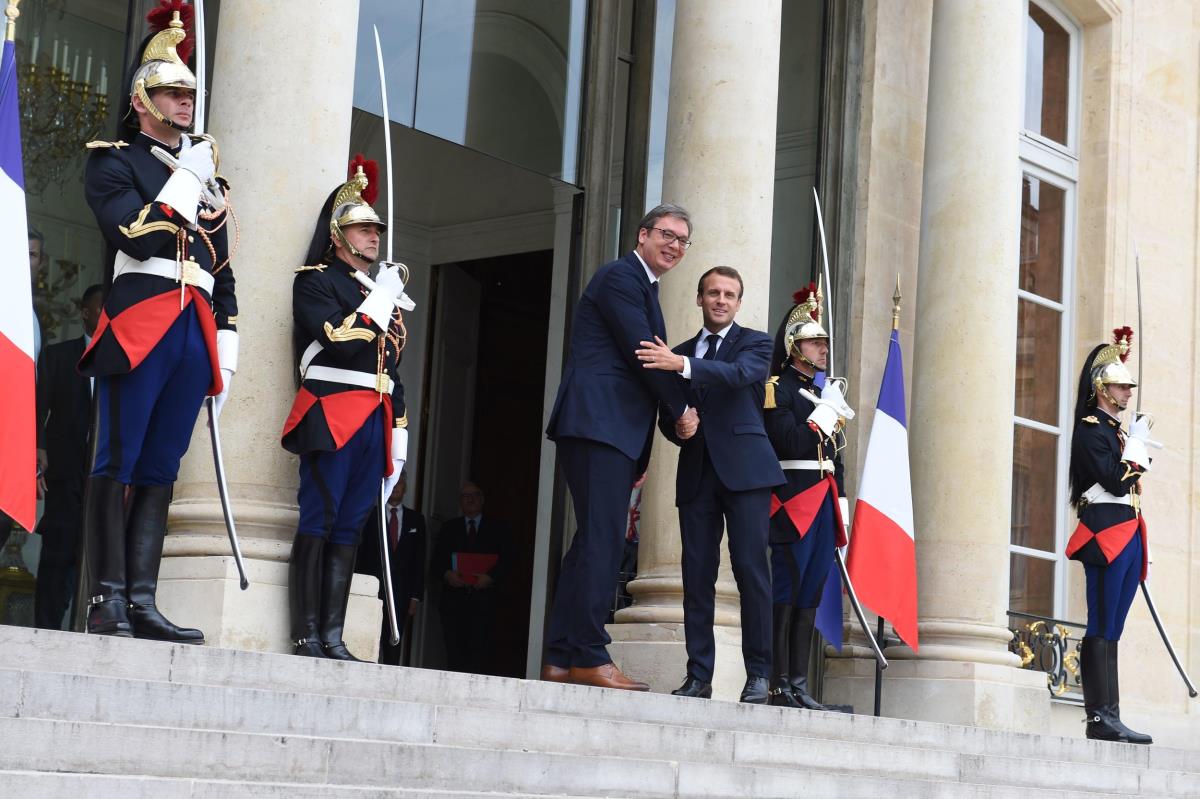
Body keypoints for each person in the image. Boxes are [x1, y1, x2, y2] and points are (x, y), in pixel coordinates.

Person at [79, 5, 237, 643]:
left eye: (189, 93)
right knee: (117, 459)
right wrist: (185, 180)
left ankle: (143, 599)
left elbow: (221, 267)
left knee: (161, 467)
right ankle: (106, 598)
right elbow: (134, 234)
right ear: (142, 99)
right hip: (141, 320)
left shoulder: (207, 178)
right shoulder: (114, 160)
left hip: (194, 327)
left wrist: (227, 341)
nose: (185, 102)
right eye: (172, 92)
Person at [542, 204, 690, 690]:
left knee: (591, 542)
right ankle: (590, 655)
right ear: (643, 234)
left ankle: (561, 657)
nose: (674, 245)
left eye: (682, 240)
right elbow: (647, 355)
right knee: (603, 541)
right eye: (666, 234)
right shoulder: (621, 277)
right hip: (598, 425)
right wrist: (682, 410)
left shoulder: (645, 286)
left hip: (611, 430)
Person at [281, 155, 413, 661]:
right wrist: (380, 301)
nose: (374, 237)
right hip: (331, 411)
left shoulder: (377, 291)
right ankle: (306, 634)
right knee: (320, 517)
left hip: (374, 418)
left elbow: (391, 367)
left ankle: (333, 636)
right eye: (363, 229)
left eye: (376, 230)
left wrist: (399, 430)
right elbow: (340, 340)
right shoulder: (317, 281)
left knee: (351, 525)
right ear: (338, 235)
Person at [637, 265, 783, 704]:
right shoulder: (679, 352)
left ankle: (759, 675)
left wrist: (681, 365)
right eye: (713, 293)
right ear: (699, 299)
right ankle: (698, 676)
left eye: (729, 294)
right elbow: (668, 413)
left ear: (738, 303)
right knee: (696, 577)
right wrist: (677, 427)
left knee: (751, 572)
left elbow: (737, 375)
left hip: (747, 474)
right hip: (698, 474)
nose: (721, 300)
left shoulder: (756, 343)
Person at [762, 285, 854, 709]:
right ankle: (777, 683)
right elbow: (791, 442)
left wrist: (842, 505)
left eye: (823, 343)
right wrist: (825, 413)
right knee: (789, 585)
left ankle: (798, 683)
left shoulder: (822, 392)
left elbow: (836, 458)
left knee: (812, 589)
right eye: (816, 342)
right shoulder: (778, 388)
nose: (823, 349)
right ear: (794, 346)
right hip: (793, 499)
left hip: (823, 499)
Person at [1065, 328, 1154, 744]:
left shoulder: (1115, 431)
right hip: (1105, 534)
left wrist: (1132, 440)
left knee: (1114, 626)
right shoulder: (1091, 430)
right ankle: (1098, 717)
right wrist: (1136, 445)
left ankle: (1112, 715)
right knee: (1101, 623)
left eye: (1129, 386)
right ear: (1102, 388)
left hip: (1129, 532)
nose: (1128, 392)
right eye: (1121, 385)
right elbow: (1116, 482)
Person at [33, 284, 104, 629]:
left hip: (104, 475)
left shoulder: (123, 361)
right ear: (84, 312)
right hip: (64, 472)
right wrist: (38, 449)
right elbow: (37, 407)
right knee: (58, 553)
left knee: (97, 556)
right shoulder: (59, 356)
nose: (108, 315)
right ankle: (46, 628)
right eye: (101, 308)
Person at [429, 481, 510, 674]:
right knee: (454, 654)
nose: (470, 499)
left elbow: (508, 560)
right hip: (454, 603)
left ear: (482, 499)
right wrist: (448, 574)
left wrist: (490, 577)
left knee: (480, 655)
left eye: (475, 495)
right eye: (466, 496)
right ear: (460, 501)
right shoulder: (449, 528)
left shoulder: (497, 529)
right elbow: (437, 562)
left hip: (484, 603)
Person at [355, 468, 426, 664]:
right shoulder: (371, 515)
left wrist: (415, 596)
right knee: (368, 636)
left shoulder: (417, 520)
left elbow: (419, 559)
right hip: (374, 587)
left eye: (399, 483)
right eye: (392, 483)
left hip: (402, 591)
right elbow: (361, 554)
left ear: (405, 488)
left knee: (394, 640)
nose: (395, 488)